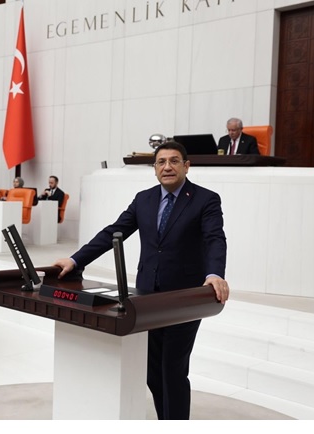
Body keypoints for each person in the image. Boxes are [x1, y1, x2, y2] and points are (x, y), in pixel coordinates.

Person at [52, 141, 229, 420]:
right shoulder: (143, 199)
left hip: (183, 299)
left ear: (186, 166)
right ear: (154, 168)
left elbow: (214, 239)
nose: (167, 167)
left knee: (173, 370)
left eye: (174, 161)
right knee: (152, 370)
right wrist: (75, 260)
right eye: (161, 162)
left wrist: (215, 273)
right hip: (146, 296)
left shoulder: (205, 199)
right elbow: (113, 232)